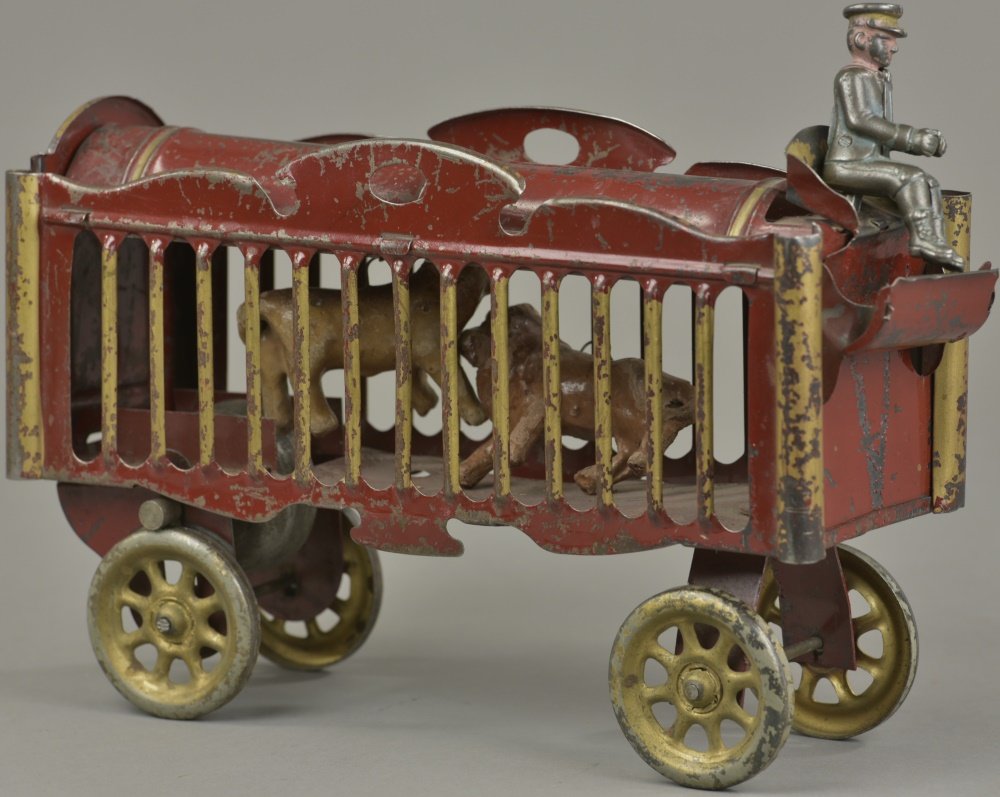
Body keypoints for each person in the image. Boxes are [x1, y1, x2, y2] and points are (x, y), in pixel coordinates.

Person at [824, 4, 965, 270]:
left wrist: (923, 141)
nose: (894, 47)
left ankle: (935, 242)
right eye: (887, 39)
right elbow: (862, 120)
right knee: (910, 178)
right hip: (846, 166)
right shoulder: (850, 77)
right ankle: (924, 241)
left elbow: (883, 130)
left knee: (928, 183)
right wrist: (912, 138)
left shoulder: (879, 78)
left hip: (868, 161)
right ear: (861, 39)